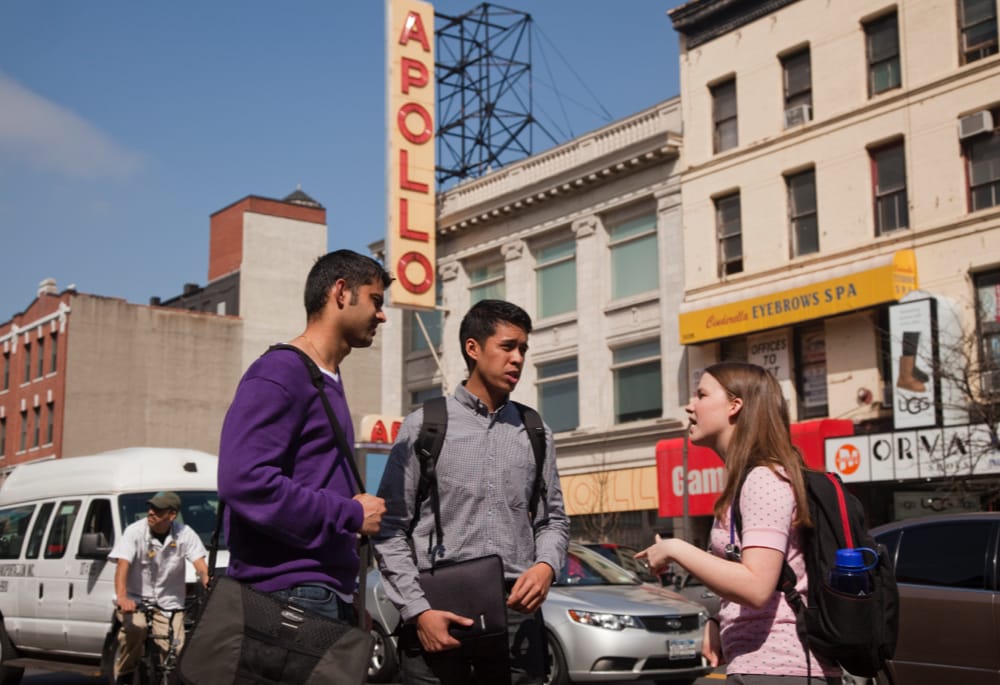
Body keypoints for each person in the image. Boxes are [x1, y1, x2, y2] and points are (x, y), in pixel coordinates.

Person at [374, 299, 570, 685]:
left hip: (517, 616)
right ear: (473, 348)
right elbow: (390, 527)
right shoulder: (425, 426)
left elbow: (553, 520)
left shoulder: (535, 431)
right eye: (508, 346)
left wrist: (547, 565)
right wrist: (418, 612)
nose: (518, 359)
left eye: (524, 350)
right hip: (436, 612)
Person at [217, 250, 390, 641]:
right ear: (341, 292)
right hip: (291, 597)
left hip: (320, 594)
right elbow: (242, 480)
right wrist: (349, 513)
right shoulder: (280, 372)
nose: (382, 316)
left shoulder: (325, 378)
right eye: (376, 301)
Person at [637, 362, 840, 684]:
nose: (690, 406)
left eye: (701, 394)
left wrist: (676, 549)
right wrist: (720, 620)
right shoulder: (750, 479)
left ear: (735, 406)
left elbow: (756, 585)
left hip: (780, 668)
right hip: (762, 666)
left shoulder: (763, 479)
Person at [109, 491, 209, 685]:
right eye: (150, 508)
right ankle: (125, 675)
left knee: (177, 649)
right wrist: (122, 598)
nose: (151, 512)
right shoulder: (134, 532)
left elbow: (201, 566)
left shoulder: (185, 534)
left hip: (169, 602)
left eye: (157, 509)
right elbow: (123, 565)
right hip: (135, 599)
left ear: (171, 515)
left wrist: (207, 581)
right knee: (137, 628)